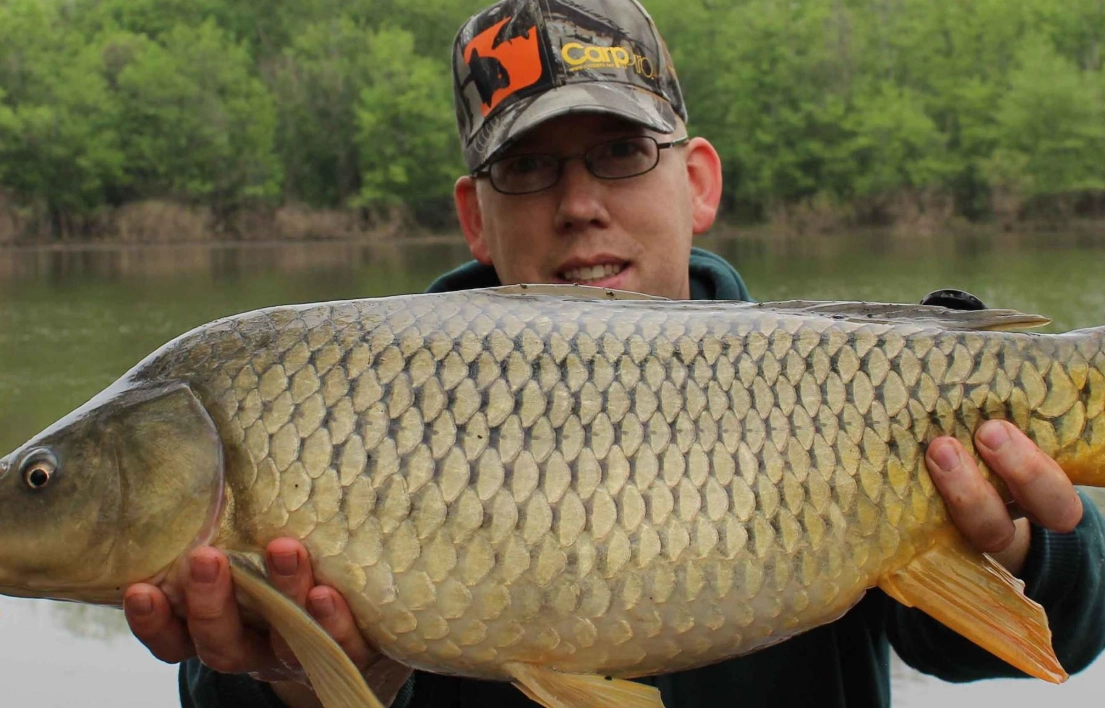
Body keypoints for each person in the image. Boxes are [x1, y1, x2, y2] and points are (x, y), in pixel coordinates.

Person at [122, 0, 1105, 706]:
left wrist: (1029, 548)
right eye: (530, 167)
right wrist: (308, 685)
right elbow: (222, 683)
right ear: (475, 215)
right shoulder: (344, 401)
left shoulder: (836, 376)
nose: (579, 201)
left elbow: (1052, 632)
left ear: (699, 183)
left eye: (622, 154)